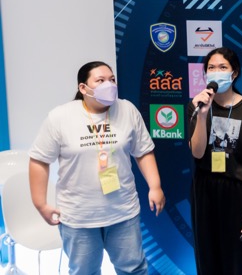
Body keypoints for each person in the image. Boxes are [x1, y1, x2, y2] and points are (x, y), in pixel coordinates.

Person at [29, 61, 165, 275]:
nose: (109, 85)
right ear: (83, 88)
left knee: (133, 269)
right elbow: (39, 160)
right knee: (84, 272)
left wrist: (155, 186)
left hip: (123, 212)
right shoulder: (60, 117)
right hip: (79, 216)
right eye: (100, 81)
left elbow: (143, 151)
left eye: (112, 79)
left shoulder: (127, 109)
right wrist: (40, 204)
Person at [188, 47, 242, 275]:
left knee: (239, 259)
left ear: (234, 73)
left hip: (238, 191)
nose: (216, 72)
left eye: (223, 67)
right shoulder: (196, 106)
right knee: (208, 257)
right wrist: (202, 115)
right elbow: (197, 152)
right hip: (205, 190)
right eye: (211, 67)